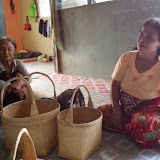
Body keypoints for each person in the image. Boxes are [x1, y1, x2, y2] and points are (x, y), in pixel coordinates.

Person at [98, 17, 160, 148]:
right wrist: (116, 109)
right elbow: (115, 85)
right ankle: (129, 125)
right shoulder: (126, 58)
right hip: (125, 109)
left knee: (143, 125)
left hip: (148, 111)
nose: (142, 39)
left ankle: (138, 125)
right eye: (141, 34)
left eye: (149, 37)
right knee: (97, 115)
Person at [0, 35, 31, 106]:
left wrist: (21, 81)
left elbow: (29, 77)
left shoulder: (18, 63)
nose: (6, 52)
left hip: (16, 94)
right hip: (4, 94)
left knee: (25, 87)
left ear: (14, 51)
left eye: (9, 49)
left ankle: (23, 108)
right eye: (2, 49)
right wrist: (14, 87)